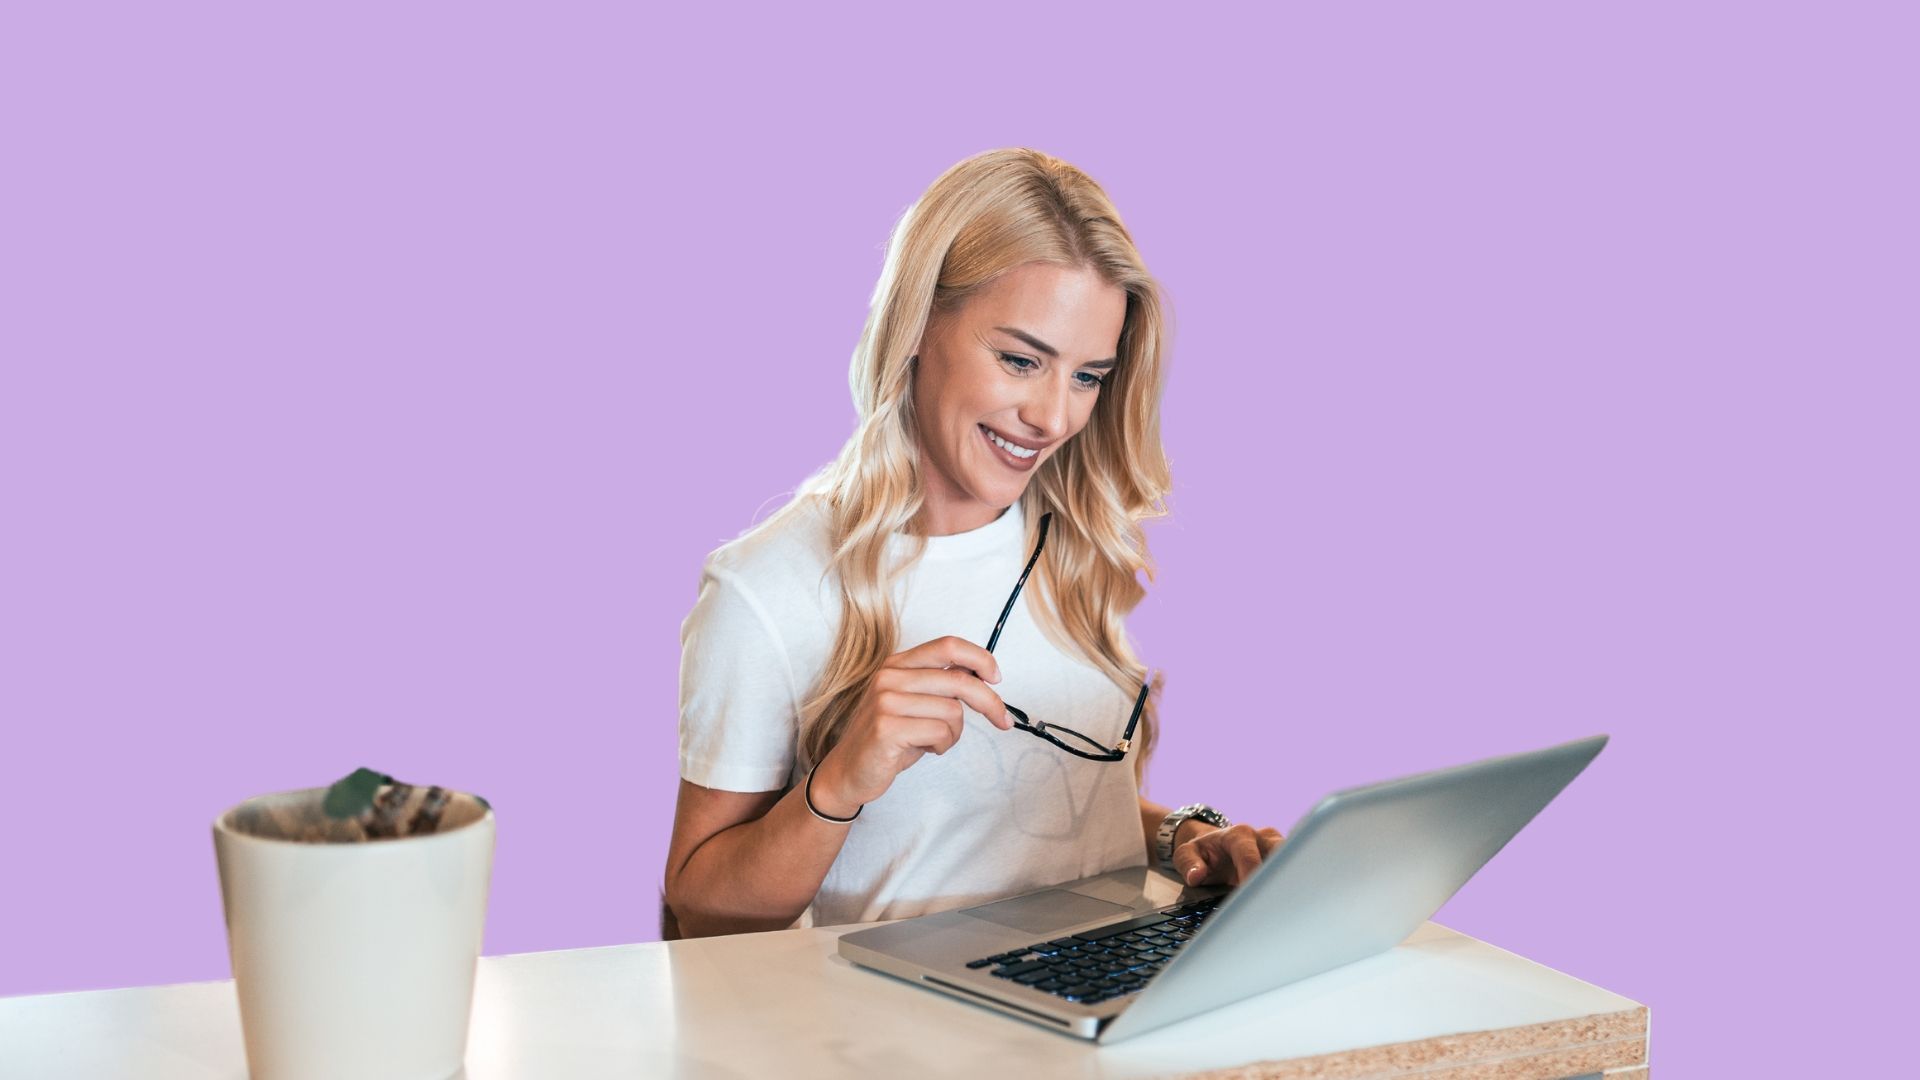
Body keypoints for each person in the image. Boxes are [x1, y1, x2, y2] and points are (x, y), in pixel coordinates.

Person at [662, 148, 1283, 940]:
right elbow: (702, 904)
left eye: (1088, 376)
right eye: (1021, 361)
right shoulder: (767, 590)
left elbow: (1036, 810)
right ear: (919, 323)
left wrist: (1182, 839)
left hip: (1098, 1001)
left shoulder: (1074, 542)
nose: (1054, 418)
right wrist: (843, 776)